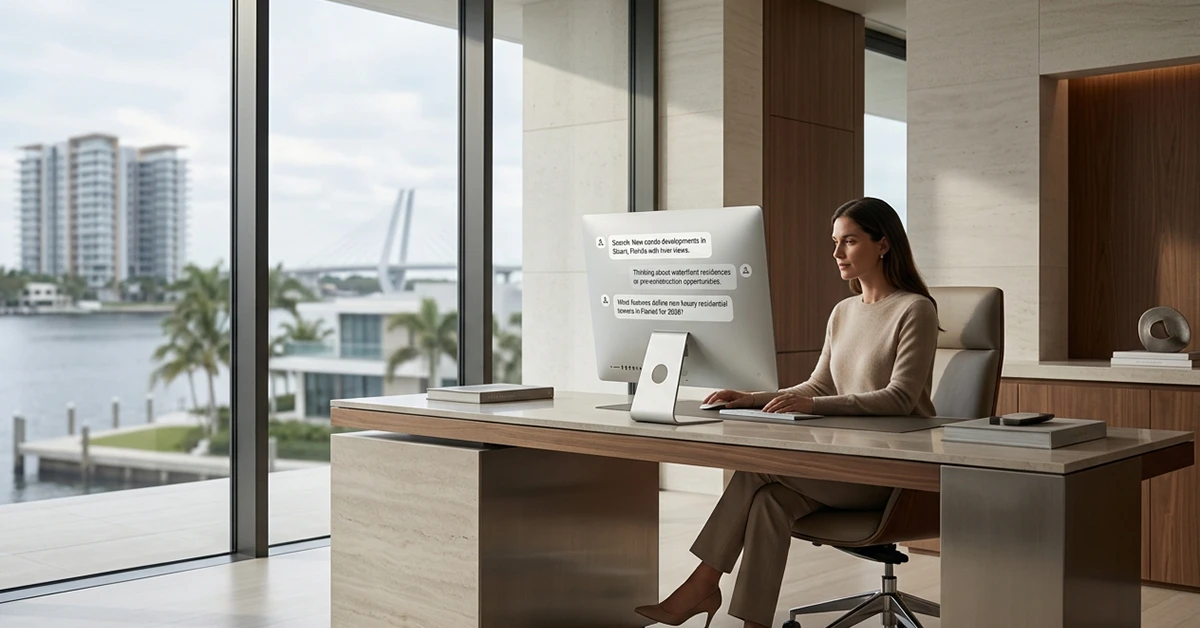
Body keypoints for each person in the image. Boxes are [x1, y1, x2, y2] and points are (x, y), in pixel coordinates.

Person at [634, 197, 941, 628]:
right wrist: (751, 398)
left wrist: (812, 405)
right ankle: (752, 623)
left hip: (888, 472)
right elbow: (817, 385)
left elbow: (900, 399)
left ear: (883, 243)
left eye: (849, 242)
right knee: (769, 503)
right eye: (835, 242)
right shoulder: (843, 312)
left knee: (757, 469)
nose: (837, 253)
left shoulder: (915, 310)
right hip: (843, 463)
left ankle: (701, 586)